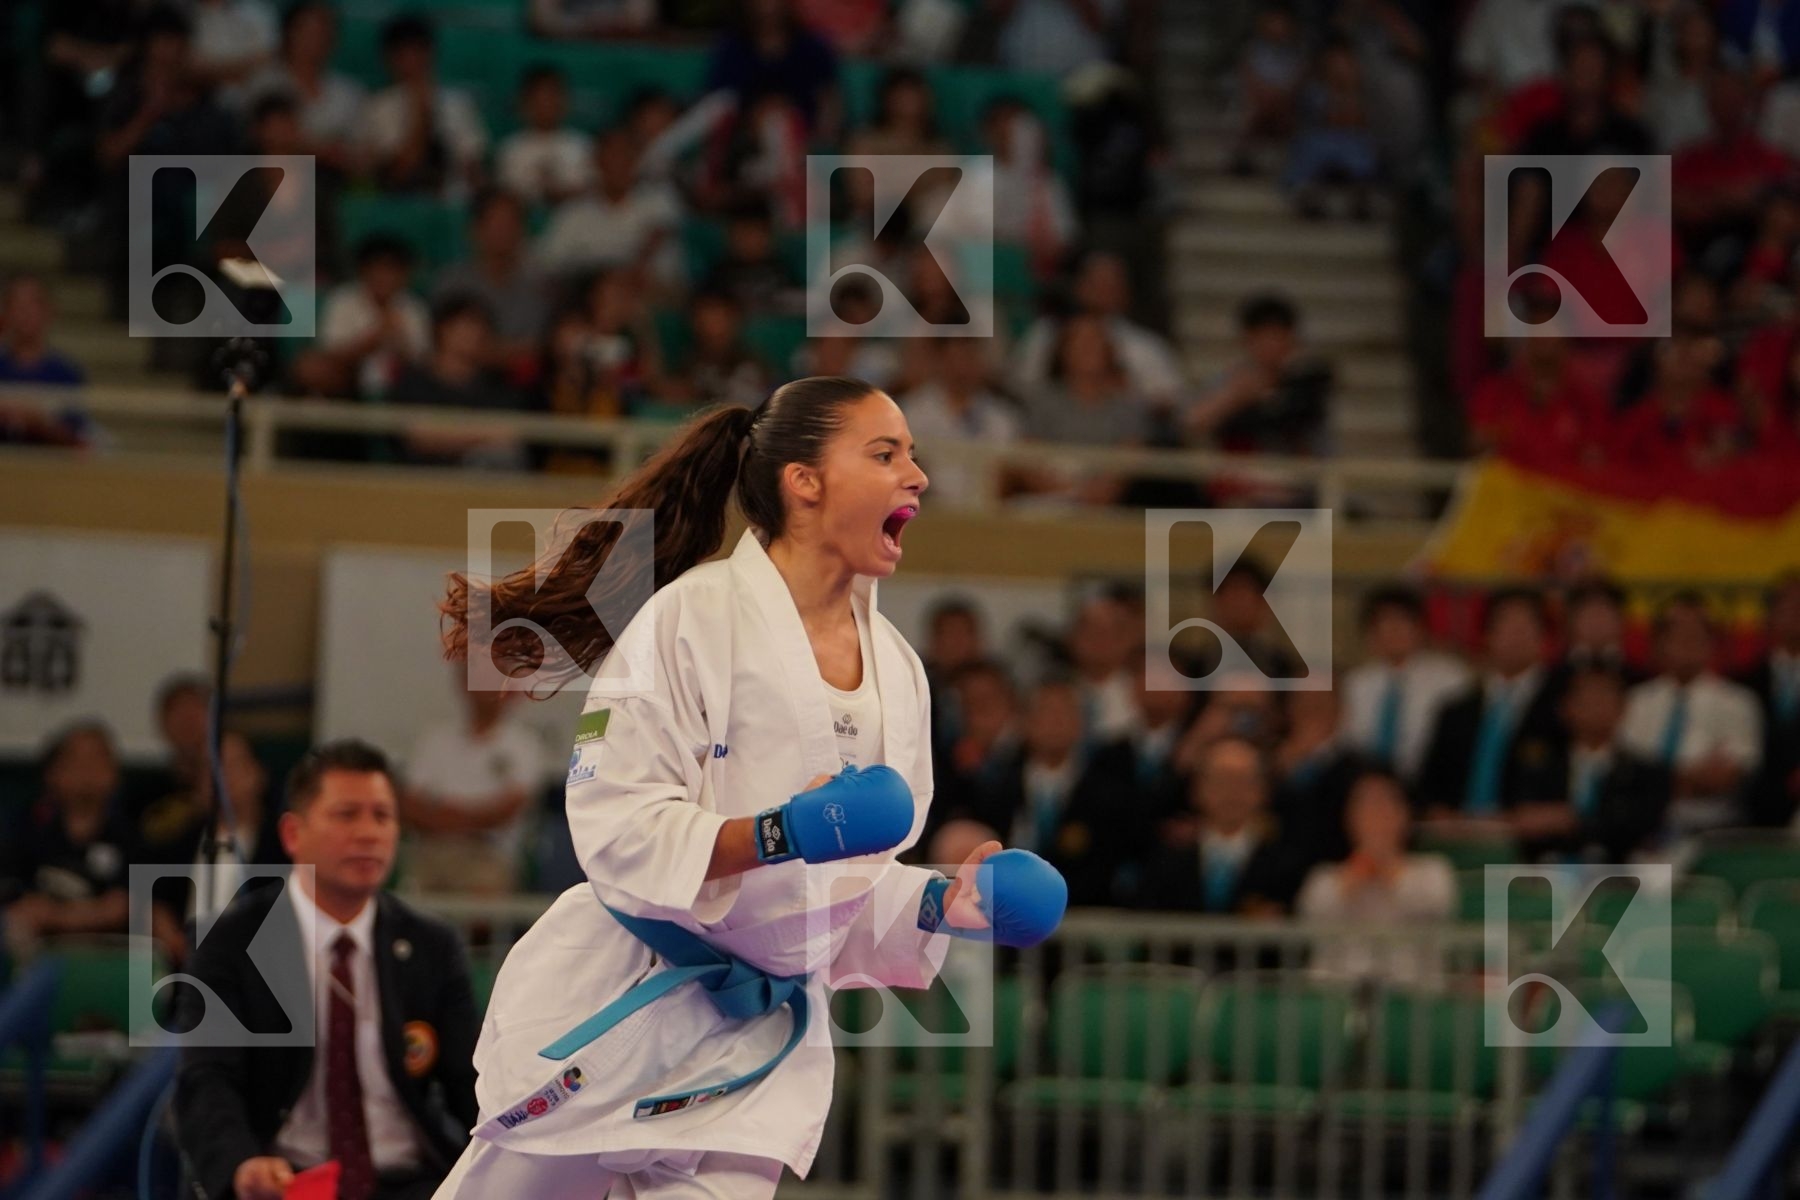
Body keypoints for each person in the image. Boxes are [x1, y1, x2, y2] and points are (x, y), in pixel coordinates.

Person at [433, 377, 1068, 1195]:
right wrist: (781, 831)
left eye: (912, 455)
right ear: (805, 481)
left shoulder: (900, 672)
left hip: (751, 1051)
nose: (917, 476)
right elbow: (615, 828)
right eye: (885, 454)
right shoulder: (688, 620)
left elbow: (833, 896)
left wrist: (945, 902)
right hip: (623, 1002)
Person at [173, 741, 480, 1200]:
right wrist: (242, 1165)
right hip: (287, 1182)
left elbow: (471, 1084)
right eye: (346, 815)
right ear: (293, 833)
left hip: (411, 1181)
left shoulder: (433, 946)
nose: (368, 833)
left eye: (382, 816)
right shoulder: (230, 943)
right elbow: (208, 1080)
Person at [1294, 770, 1455, 985]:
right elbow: (1312, 917)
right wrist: (1353, 877)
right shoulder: (1324, 876)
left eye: (1385, 804)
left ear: (1405, 813)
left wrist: (1387, 867)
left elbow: (1435, 906)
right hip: (1339, 990)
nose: (1376, 814)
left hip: (1412, 992)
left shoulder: (1432, 870)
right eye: (1365, 805)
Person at [1620, 593, 1762, 834]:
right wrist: (1689, 778)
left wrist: (1659, 781)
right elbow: (1626, 774)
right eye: (1677, 631)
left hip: (1714, 828)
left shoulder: (1739, 702)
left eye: (1697, 632)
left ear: (1713, 642)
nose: (1687, 639)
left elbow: (1726, 778)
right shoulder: (1635, 701)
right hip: (1638, 827)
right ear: (1658, 642)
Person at [1417, 589, 1562, 822]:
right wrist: (1438, 812)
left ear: (1544, 638)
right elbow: (1429, 784)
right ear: (1487, 636)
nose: (1516, 634)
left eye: (1526, 625)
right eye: (1506, 624)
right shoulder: (1455, 711)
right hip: (1457, 832)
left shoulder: (1562, 707)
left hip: (1529, 835)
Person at [401, 672, 550, 897]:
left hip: (489, 855)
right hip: (431, 851)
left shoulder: (525, 745)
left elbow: (506, 811)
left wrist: (442, 814)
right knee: (408, 897)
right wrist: (472, 818)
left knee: (483, 894)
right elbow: (410, 806)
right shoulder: (434, 740)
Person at [1510, 664, 1673, 861]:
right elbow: (1527, 822)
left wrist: (1572, 821)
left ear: (1623, 708)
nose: (1596, 709)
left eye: (1604, 699)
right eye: (1586, 701)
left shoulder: (1648, 772)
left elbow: (1635, 828)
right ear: (1565, 708)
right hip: (1547, 870)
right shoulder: (1539, 767)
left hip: (1621, 872)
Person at [0, 722, 134, 953]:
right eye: (76, 760)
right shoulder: (24, 828)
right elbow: (18, 905)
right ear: (53, 772)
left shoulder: (131, 834)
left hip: (108, 955)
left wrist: (56, 916)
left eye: (98, 759)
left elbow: (121, 908)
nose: (87, 772)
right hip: (33, 954)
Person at [1138, 736, 1305, 916]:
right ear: (1197, 788)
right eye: (1222, 780)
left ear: (1263, 790)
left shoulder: (1286, 863)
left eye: (1243, 780)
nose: (1232, 792)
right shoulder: (1168, 857)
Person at [1339, 586, 1469, 784]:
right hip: (1366, 785)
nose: (1393, 630)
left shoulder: (1451, 679)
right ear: (1369, 634)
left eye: (1402, 621)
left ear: (1421, 628)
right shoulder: (1356, 683)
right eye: (1383, 623)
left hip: (1431, 784)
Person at [494, 65, 593, 207]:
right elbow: (506, 195)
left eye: (553, 96)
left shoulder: (583, 146)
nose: (547, 104)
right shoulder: (510, 149)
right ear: (524, 102)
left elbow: (591, 191)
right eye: (540, 97)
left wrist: (562, 195)